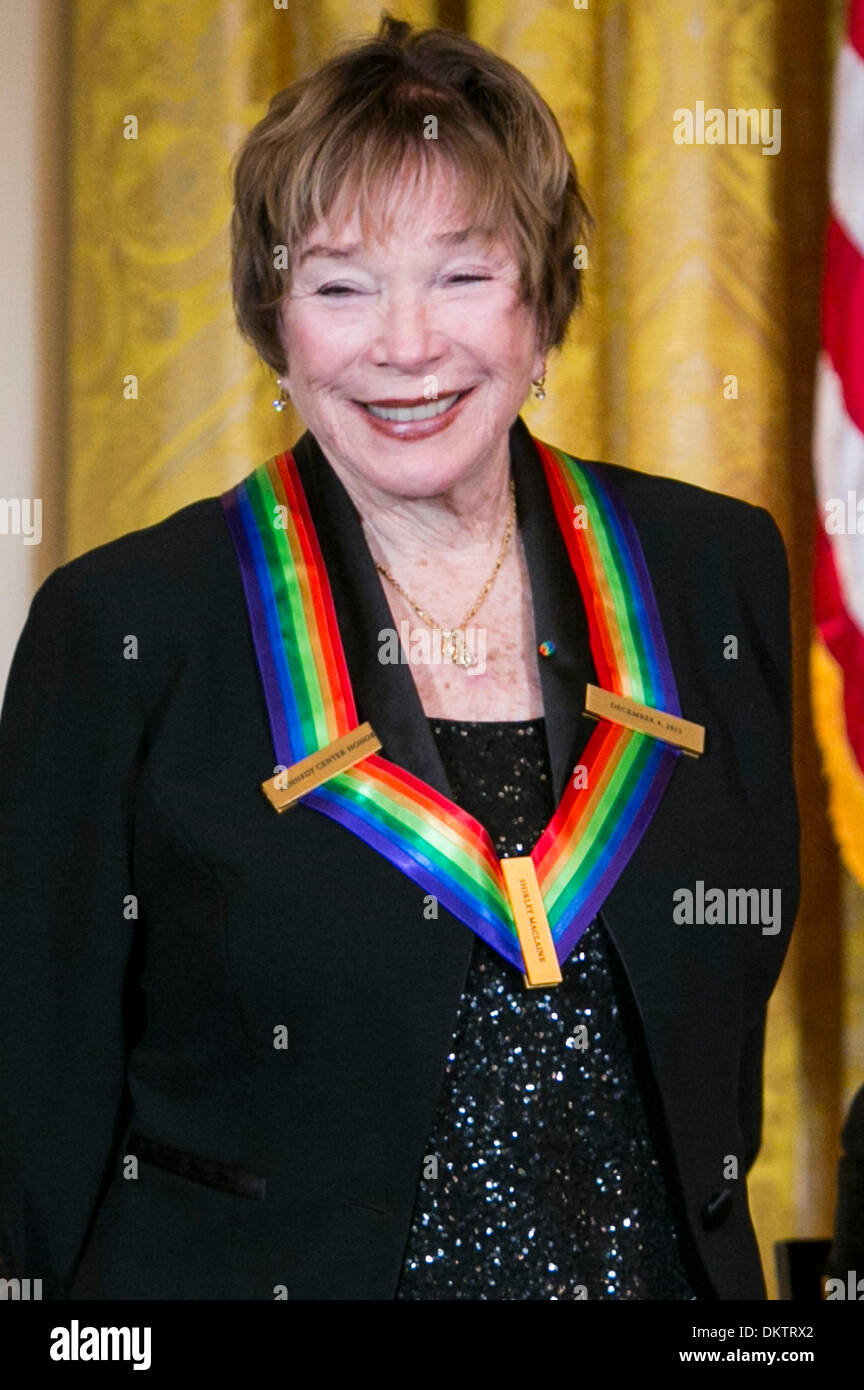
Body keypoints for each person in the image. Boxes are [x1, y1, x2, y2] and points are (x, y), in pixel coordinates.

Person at [0, 14, 799, 1301]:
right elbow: (31, 1108)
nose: (407, 345)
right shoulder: (127, 625)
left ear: (543, 297)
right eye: (341, 282)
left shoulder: (715, 572)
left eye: (463, 274)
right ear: (276, 321)